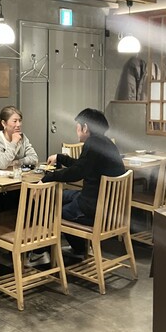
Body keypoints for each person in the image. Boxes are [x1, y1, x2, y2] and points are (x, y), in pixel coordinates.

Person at [42, 108, 125, 256]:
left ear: (85, 127)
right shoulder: (106, 143)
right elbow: (83, 166)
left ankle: (45, 252)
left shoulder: (92, 143)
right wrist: (60, 158)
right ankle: (78, 248)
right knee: (61, 195)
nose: (77, 130)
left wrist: (47, 177)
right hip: (107, 205)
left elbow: (77, 173)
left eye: (77, 127)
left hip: (93, 207)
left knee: (53, 211)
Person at [0, 105, 38, 169]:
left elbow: (34, 158)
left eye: (20, 121)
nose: (18, 124)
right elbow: (2, 164)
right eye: (15, 121)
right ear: (4, 123)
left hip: (18, 173)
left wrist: (18, 162)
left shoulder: (22, 137)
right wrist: (14, 142)